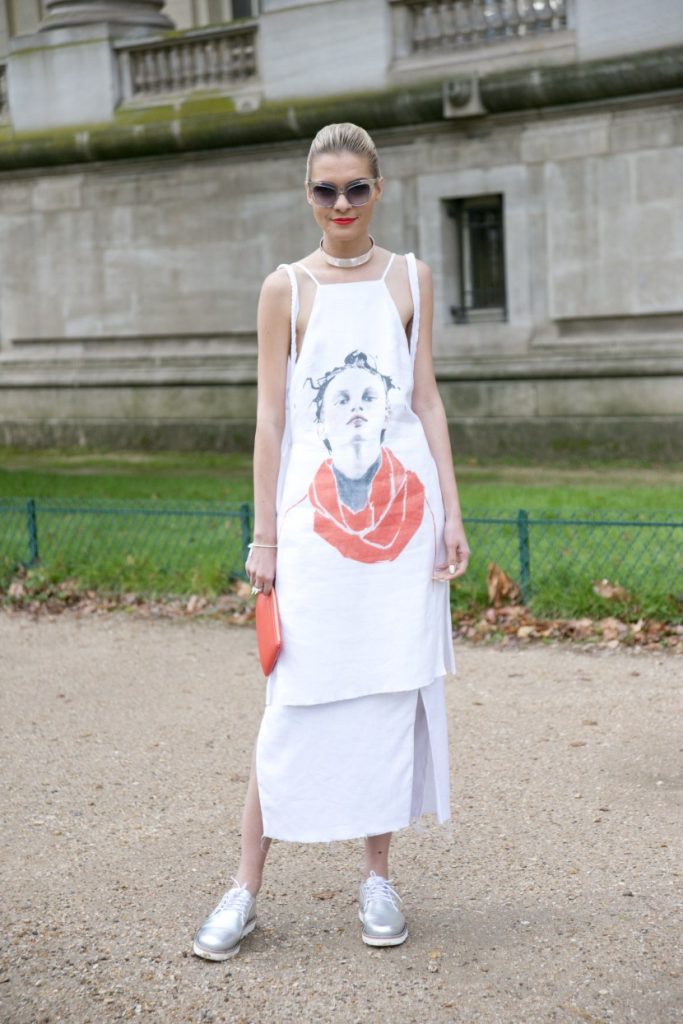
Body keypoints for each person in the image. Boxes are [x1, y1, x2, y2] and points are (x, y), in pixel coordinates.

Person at [193, 122, 470, 960]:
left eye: (355, 188)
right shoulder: (284, 287)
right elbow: (271, 420)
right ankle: (243, 888)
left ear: (377, 189)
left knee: (388, 694)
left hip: (402, 517)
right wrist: (264, 537)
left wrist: (453, 514)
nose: (341, 205)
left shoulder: (411, 277)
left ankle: (377, 879)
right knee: (291, 704)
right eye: (325, 190)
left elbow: (424, 402)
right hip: (310, 529)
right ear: (307, 194)